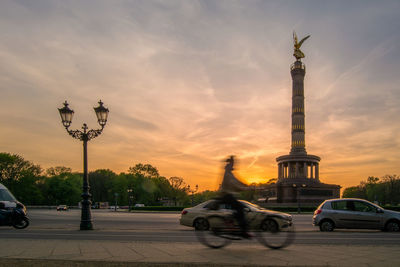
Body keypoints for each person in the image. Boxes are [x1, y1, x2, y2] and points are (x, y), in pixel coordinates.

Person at [216, 155, 251, 238]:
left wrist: (246, 185)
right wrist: (244, 188)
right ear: (230, 163)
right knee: (240, 209)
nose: (234, 164)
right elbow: (234, 184)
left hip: (229, 196)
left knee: (239, 209)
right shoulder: (228, 174)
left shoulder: (229, 173)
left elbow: (237, 181)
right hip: (227, 196)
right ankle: (243, 232)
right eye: (233, 162)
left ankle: (231, 222)